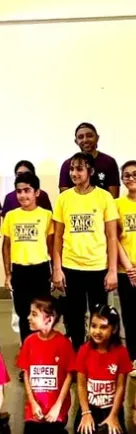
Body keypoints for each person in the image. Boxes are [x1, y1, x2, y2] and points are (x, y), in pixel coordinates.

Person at [53, 152, 118, 350]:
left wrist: (112, 270)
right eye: (72, 169)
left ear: (90, 171)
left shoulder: (104, 197)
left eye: (79, 169)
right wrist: (57, 268)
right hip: (71, 266)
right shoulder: (64, 198)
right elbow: (57, 236)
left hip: (98, 266)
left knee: (99, 315)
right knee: (74, 315)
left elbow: (112, 236)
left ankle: (98, 354)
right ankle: (78, 354)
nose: (74, 173)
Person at [18, 297, 74, 434]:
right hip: (36, 406)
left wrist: (57, 406)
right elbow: (26, 373)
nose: (29, 317)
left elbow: (69, 376)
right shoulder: (29, 342)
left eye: (34, 314)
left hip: (54, 407)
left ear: (49, 319)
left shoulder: (63, 344)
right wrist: (33, 403)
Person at [2, 172, 53, 343]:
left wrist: (55, 271)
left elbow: (51, 246)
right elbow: (6, 246)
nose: (23, 195)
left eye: (27, 190)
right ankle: (27, 349)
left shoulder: (46, 215)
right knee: (24, 314)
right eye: (19, 191)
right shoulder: (11, 216)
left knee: (42, 312)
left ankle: (43, 348)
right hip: (19, 271)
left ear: (37, 192)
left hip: (41, 270)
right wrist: (8, 273)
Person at [75, 304, 131, 434]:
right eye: (94, 326)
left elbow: (120, 387)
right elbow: (81, 385)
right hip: (90, 408)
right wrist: (86, 413)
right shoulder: (84, 350)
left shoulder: (121, 353)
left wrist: (114, 415)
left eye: (103, 327)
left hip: (110, 408)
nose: (97, 331)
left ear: (114, 329)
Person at [59, 123, 120, 198]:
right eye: (81, 137)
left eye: (89, 136)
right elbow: (64, 197)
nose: (85, 140)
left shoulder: (109, 162)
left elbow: (113, 197)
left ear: (97, 138)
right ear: (76, 141)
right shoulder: (68, 164)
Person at [116, 161, 136, 373]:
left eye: (135, 174)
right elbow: (114, 238)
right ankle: (134, 358)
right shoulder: (117, 205)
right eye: (127, 175)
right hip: (126, 271)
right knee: (130, 317)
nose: (131, 178)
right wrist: (129, 267)